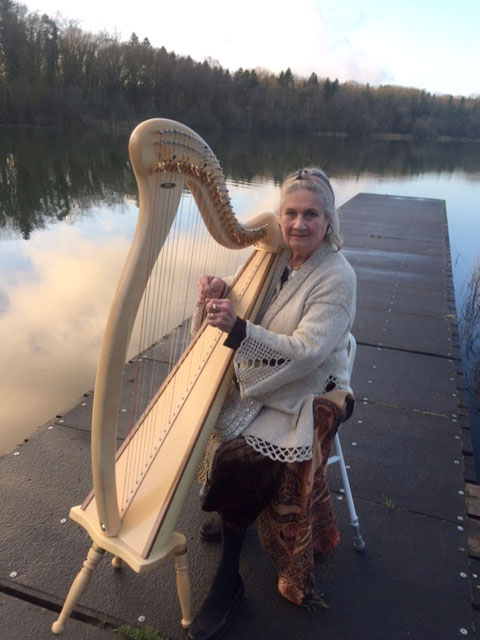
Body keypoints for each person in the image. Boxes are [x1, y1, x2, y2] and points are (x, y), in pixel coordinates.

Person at [188, 168, 357, 640]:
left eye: (311, 215)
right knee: (214, 416)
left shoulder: (337, 277)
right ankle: (230, 511)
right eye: (290, 213)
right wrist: (221, 293)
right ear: (280, 217)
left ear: (328, 221)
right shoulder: (280, 257)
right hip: (269, 374)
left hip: (314, 391)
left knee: (242, 455)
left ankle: (228, 583)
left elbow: (306, 351)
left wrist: (239, 329)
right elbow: (257, 306)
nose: (299, 224)